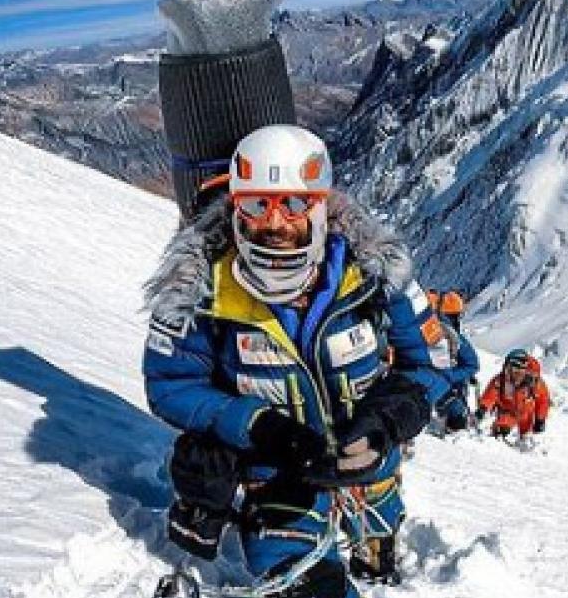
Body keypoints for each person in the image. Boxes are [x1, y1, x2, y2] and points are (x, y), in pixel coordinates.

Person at [143, 124, 454, 596]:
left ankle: (376, 550)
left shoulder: (375, 275)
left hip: (369, 465)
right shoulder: (202, 292)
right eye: (256, 204)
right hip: (279, 479)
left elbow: (433, 360)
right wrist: (258, 426)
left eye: (292, 203)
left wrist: (389, 417)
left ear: (321, 206)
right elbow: (170, 385)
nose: (274, 222)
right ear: (235, 207)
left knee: (378, 527)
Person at [476, 349, 551, 439]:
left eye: (518, 371)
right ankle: (498, 436)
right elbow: (491, 394)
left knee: (528, 435)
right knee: (499, 431)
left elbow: (543, 400)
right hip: (508, 412)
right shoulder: (501, 380)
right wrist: (483, 407)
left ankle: (526, 440)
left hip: (526, 412)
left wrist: (540, 419)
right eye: (510, 370)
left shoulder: (534, 382)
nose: (514, 374)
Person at [434, 322, 480, 432]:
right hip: (431, 380)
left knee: (456, 416)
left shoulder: (458, 342)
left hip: (452, 385)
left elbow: (472, 365)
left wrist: (450, 376)